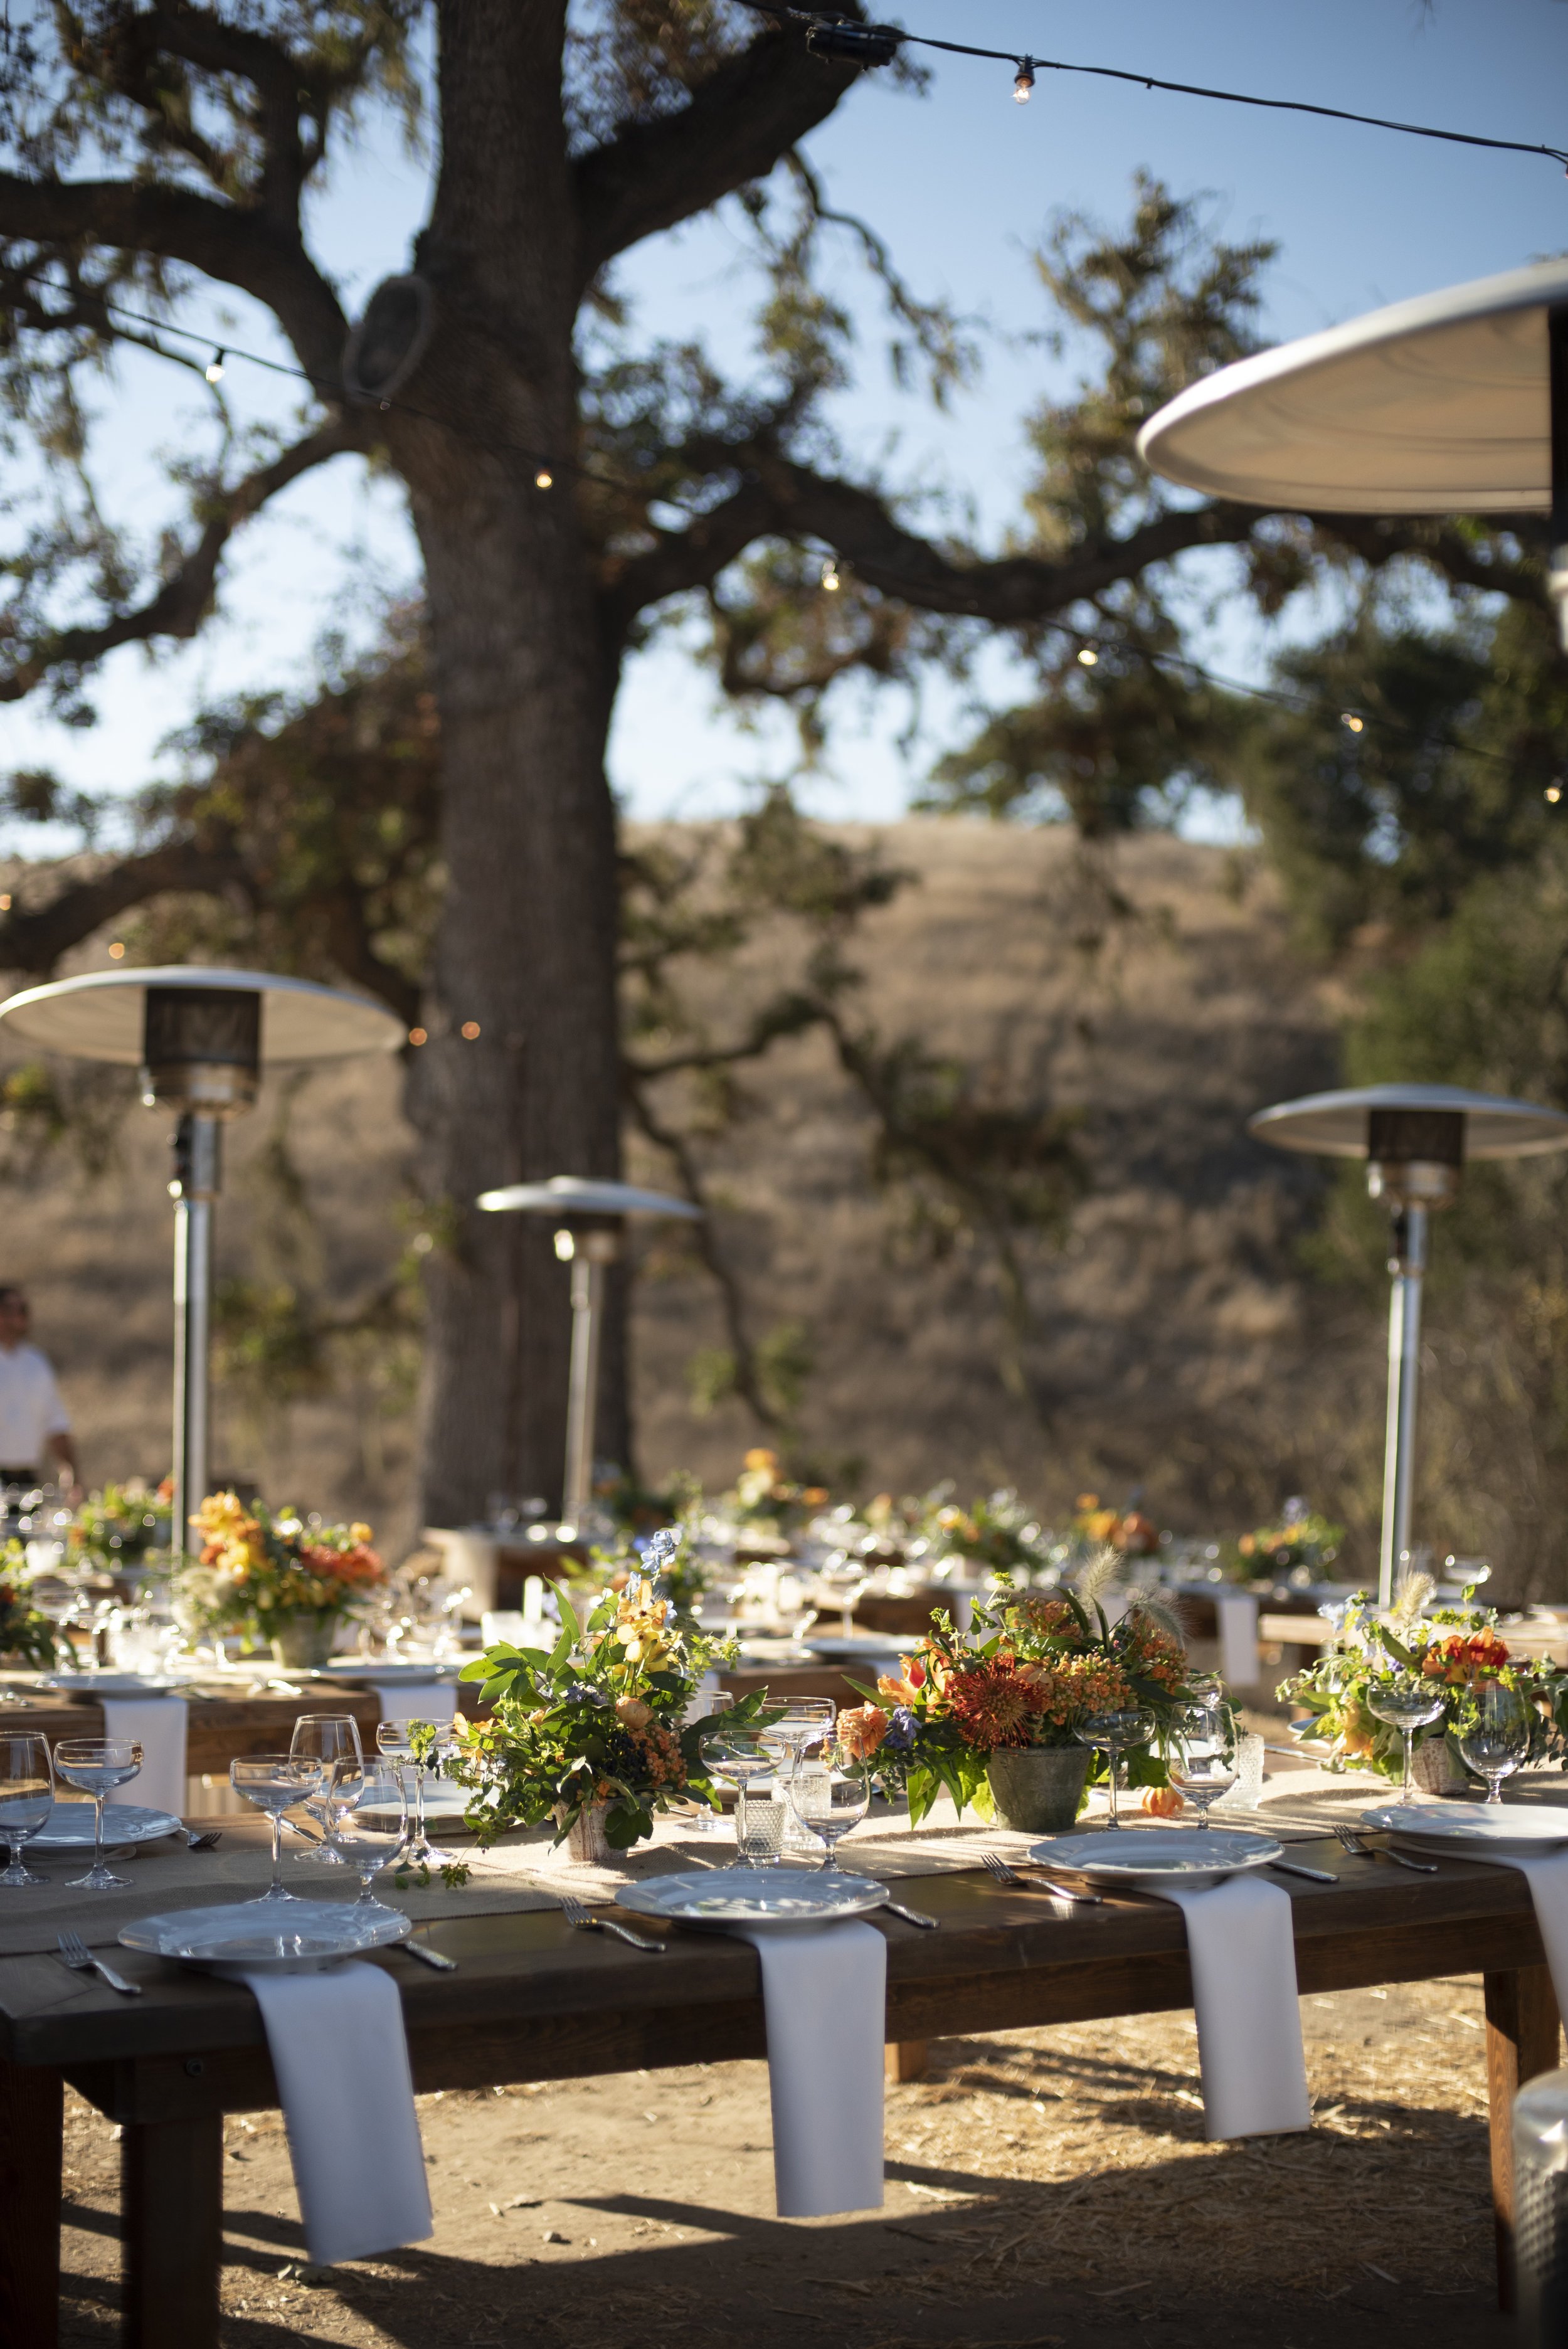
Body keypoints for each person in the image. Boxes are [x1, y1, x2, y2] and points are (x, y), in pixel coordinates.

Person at [0, 1285, 78, 1495]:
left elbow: (55, 1421)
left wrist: (70, 1470)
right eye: (10, 1309)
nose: (19, 1316)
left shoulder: (36, 1363)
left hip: (25, 1479)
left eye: (22, 1309)